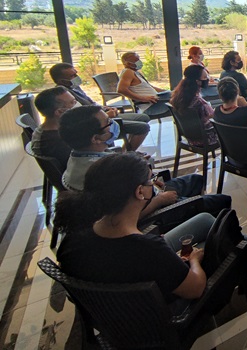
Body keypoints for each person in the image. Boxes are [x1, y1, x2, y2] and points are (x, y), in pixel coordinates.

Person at [56, 153, 215, 303]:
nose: (153, 184)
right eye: (150, 181)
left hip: (112, 309)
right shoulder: (150, 250)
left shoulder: (73, 236)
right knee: (213, 237)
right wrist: (194, 260)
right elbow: (196, 289)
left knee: (205, 220)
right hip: (152, 310)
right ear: (140, 192)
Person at [59, 106, 230, 217]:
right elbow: (125, 217)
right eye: (108, 123)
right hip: (153, 209)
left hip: (150, 192)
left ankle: (192, 210)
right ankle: (197, 218)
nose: (113, 124)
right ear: (96, 138)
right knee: (221, 200)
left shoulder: (77, 159)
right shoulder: (103, 173)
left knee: (196, 179)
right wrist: (160, 200)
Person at [49, 62, 151, 151]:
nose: (76, 77)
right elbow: (81, 117)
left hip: (103, 114)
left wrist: (104, 108)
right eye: (73, 75)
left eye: (76, 73)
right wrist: (106, 115)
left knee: (143, 117)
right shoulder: (65, 96)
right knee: (143, 127)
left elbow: (90, 104)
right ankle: (128, 154)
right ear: (62, 81)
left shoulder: (74, 87)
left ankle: (127, 148)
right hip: (100, 123)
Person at [170, 65, 218, 147]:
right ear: (197, 81)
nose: (208, 79)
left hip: (189, 137)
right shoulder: (200, 103)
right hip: (207, 139)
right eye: (205, 77)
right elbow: (213, 118)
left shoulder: (178, 97)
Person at [31, 87, 75, 170]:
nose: (76, 105)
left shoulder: (47, 128)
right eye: (72, 103)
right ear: (59, 112)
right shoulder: (57, 140)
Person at [117, 51, 171, 118]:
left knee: (180, 96)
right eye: (136, 60)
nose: (139, 61)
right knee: (183, 102)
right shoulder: (128, 72)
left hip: (157, 102)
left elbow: (151, 87)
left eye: (139, 59)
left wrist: (167, 91)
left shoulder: (135, 72)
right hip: (151, 106)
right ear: (128, 63)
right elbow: (121, 90)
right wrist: (143, 98)